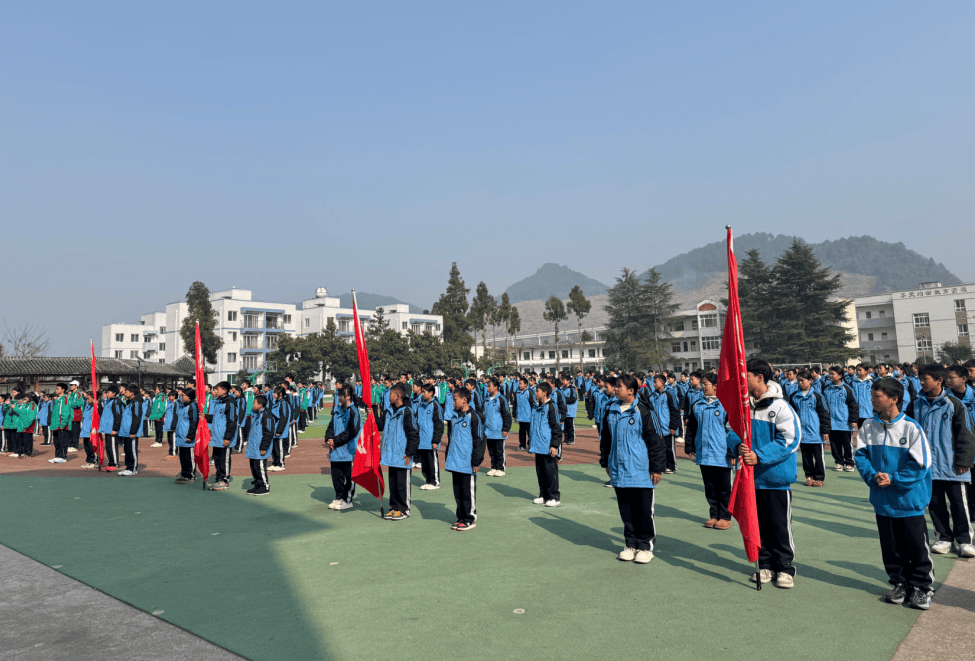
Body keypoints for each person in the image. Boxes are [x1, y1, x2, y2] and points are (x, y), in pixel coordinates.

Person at [854, 377, 935, 610]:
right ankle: (899, 583)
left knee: (916, 546)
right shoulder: (868, 426)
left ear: (894, 399)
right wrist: (873, 476)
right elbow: (860, 456)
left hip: (908, 500)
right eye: (872, 395)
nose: (871, 400)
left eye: (876, 396)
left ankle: (921, 587)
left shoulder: (911, 427)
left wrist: (894, 479)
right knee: (890, 547)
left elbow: (921, 463)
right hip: (882, 500)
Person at [727, 358, 801, 589]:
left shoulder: (780, 406)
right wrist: (737, 445)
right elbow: (732, 430)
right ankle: (765, 565)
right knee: (757, 525)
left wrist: (759, 455)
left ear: (760, 377)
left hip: (775, 480)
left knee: (779, 526)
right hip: (750, 479)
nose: (742, 381)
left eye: (746, 376)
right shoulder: (744, 406)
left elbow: (790, 439)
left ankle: (785, 568)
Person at [905, 364, 975, 557]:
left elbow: (966, 435)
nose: (921, 382)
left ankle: (965, 540)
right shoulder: (915, 404)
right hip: (927, 466)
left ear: (939, 380)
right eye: (920, 378)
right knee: (935, 505)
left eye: (925, 379)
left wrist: (964, 461)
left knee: (959, 505)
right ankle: (944, 538)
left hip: (952, 466)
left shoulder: (954, 404)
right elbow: (908, 432)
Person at [600, 374, 665, 563]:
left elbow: (656, 441)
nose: (616, 389)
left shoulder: (643, 411)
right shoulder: (611, 410)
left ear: (631, 390)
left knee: (643, 512)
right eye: (615, 386)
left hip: (641, 472)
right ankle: (630, 544)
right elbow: (606, 439)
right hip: (619, 471)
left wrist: (656, 468)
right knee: (626, 512)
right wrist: (606, 462)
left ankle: (645, 546)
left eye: (619, 386)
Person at [685, 373, 734, 529]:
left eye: (706, 384)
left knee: (724, 488)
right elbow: (691, 427)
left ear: (715, 386)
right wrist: (690, 447)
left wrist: (732, 451)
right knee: (710, 487)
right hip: (704, 453)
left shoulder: (726, 405)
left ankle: (725, 517)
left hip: (721, 454)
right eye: (702, 384)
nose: (703, 386)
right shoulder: (697, 405)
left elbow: (733, 430)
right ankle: (714, 515)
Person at [374, 383, 420, 520]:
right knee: (393, 483)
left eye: (391, 394)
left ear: (398, 395)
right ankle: (394, 507)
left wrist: (410, 453)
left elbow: (413, 434)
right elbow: (380, 425)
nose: (388, 397)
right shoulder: (389, 411)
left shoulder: (407, 412)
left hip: (402, 455)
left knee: (402, 484)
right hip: (391, 454)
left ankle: (404, 509)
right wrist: (372, 414)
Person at [444, 387, 486, 531]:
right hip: (455, 461)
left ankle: (469, 518)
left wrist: (476, 461)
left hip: (467, 462)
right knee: (458, 492)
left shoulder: (473, 417)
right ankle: (461, 517)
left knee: (467, 492)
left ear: (464, 400)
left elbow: (479, 440)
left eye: (455, 399)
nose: (453, 402)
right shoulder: (454, 417)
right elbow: (451, 438)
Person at [789, 370, 831, 487]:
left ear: (810, 381)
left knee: (818, 457)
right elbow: (791, 415)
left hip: (816, 433)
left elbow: (824, 414)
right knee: (805, 457)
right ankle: (809, 476)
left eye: (802, 380)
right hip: (802, 433)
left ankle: (819, 478)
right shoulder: (794, 397)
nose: (800, 383)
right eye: (798, 381)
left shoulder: (817, 396)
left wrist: (825, 430)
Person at [946, 365, 975, 522]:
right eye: (947, 377)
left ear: (964, 379)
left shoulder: (973, 396)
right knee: (961, 492)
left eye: (951, 377)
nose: (948, 380)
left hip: (972, 448)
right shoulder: (944, 399)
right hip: (955, 451)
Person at [324, 386, 361, 508]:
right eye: (338, 395)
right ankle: (338, 497)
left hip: (348, 451)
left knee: (349, 477)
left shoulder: (353, 411)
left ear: (348, 397)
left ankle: (347, 500)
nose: (339, 398)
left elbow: (351, 432)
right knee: (336, 476)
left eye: (341, 395)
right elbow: (331, 426)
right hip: (335, 451)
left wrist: (335, 441)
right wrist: (329, 438)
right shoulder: (337, 410)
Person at [529, 382, 563, 507]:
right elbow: (533, 427)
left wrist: (554, 446)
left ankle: (554, 497)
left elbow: (556, 428)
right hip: (537, 446)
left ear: (544, 393)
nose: (535, 393)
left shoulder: (551, 407)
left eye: (537, 391)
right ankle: (543, 495)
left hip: (547, 446)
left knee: (550, 473)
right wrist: (530, 442)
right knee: (540, 472)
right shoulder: (535, 407)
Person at [823, 366, 858, 472]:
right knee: (834, 444)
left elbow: (853, 405)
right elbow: (823, 406)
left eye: (832, 374)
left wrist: (853, 420)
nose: (830, 376)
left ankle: (849, 463)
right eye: (829, 373)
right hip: (831, 423)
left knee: (847, 444)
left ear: (840, 376)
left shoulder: (847, 389)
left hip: (844, 422)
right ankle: (839, 462)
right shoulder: (826, 389)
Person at [208, 381, 238, 491]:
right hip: (217, 436)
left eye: (217, 389)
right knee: (217, 459)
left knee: (224, 460)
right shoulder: (218, 403)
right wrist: (204, 417)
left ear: (224, 391)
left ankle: (224, 480)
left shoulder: (230, 403)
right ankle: (219, 479)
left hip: (224, 437)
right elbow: (215, 418)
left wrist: (227, 438)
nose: (215, 391)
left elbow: (232, 421)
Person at [415, 383, 444, 490]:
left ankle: (434, 482)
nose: (422, 394)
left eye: (424, 392)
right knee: (424, 463)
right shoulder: (421, 405)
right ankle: (427, 480)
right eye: (422, 391)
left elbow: (439, 424)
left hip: (430, 440)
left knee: (432, 462)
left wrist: (436, 440)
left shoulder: (435, 405)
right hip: (421, 440)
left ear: (431, 393)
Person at [245, 395, 274, 496]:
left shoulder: (266, 415)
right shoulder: (255, 414)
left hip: (260, 447)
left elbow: (269, 432)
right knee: (254, 467)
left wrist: (264, 447)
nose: (252, 405)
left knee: (260, 467)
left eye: (254, 403)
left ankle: (264, 486)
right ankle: (257, 485)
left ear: (260, 405)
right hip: (253, 446)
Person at [483, 377, 512, 476]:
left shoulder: (501, 399)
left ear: (495, 387)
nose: (487, 388)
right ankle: (493, 467)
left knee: (499, 451)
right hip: (488, 431)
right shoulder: (486, 400)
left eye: (489, 386)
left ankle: (500, 468)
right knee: (491, 451)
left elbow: (506, 415)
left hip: (498, 431)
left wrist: (505, 429)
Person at [116, 385, 144, 476]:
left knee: (132, 450)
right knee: (127, 450)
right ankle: (128, 467)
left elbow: (136, 418)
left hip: (131, 432)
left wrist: (133, 432)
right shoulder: (130, 403)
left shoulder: (136, 403)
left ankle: (133, 469)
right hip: (126, 431)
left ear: (132, 393)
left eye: (127, 391)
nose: (125, 393)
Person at [174, 389, 200, 484]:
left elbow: (193, 422)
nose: (182, 397)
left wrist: (190, 435)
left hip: (188, 436)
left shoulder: (192, 407)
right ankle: (184, 474)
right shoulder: (182, 406)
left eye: (183, 395)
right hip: (181, 436)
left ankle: (191, 475)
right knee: (183, 457)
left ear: (189, 397)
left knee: (189, 457)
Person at [97, 386, 122, 471]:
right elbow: (102, 413)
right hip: (107, 429)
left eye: (108, 392)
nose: (107, 394)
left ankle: (115, 463)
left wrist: (115, 429)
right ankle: (111, 463)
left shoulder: (116, 402)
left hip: (112, 429)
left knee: (113, 447)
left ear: (114, 393)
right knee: (108, 447)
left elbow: (118, 416)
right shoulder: (108, 402)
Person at [48, 384, 74, 464]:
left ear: (63, 390)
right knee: (56, 441)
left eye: (58, 388)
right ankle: (57, 456)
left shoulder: (65, 399)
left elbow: (65, 412)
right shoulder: (58, 400)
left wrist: (63, 424)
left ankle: (63, 457)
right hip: (55, 424)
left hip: (61, 425)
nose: (56, 390)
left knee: (62, 441)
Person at [269, 386, 291, 472]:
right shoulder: (276, 402)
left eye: (275, 393)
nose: (273, 394)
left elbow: (283, 418)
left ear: (280, 394)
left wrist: (279, 431)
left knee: (279, 448)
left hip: (279, 430)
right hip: (274, 429)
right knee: (274, 448)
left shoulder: (283, 403)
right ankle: (275, 463)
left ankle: (281, 464)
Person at [512, 377, 535, 451]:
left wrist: (533, 415)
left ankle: (531, 445)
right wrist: (514, 415)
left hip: (528, 417)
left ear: (525, 384)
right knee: (521, 432)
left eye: (521, 384)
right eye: (519, 383)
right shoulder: (517, 393)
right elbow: (515, 404)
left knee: (530, 432)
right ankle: (522, 445)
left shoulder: (529, 392)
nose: (519, 385)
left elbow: (532, 404)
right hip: (520, 416)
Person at [79, 391, 99, 469]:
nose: (88, 400)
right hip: (85, 430)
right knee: (87, 447)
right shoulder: (87, 406)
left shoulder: (96, 407)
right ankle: (89, 460)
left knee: (92, 447)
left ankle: (94, 461)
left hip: (92, 430)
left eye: (89, 398)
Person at [558, 374, 578, 446]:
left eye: (564, 380)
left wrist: (564, 399)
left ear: (568, 381)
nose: (563, 381)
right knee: (565, 427)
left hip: (570, 411)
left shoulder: (572, 389)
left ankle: (571, 439)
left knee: (570, 426)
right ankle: (566, 438)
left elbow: (573, 399)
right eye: (562, 380)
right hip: (564, 412)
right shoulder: (562, 389)